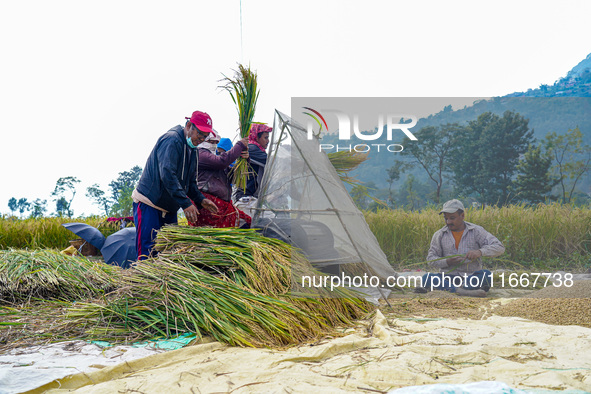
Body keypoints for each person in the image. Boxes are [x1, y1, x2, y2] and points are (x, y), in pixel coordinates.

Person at [132, 110, 219, 260]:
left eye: (205, 137)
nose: (201, 139)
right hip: (150, 204)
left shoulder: (193, 150)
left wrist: (200, 199)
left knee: (169, 252)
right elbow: (167, 174)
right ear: (189, 126)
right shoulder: (172, 140)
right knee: (148, 252)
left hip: (169, 208)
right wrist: (186, 204)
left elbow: (190, 182)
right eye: (200, 134)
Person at [417, 199, 505, 297]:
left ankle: (457, 290)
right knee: (427, 278)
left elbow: (499, 247)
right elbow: (430, 260)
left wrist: (479, 252)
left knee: (486, 275)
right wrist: (447, 261)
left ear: (462, 216)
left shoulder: (476, 231)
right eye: (446, 218)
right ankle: (462, 291)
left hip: (470, 277)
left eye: (452, 218)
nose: (448, 222)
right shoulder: (439, 235)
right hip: (447, 278)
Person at [191, 132, 252, 228]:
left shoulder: (215, 157)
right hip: (209, 207)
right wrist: (239, 145)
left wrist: (244, 160)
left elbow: (235, 177)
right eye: (210, 141)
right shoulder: (200, 154)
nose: (213, 145)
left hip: (223, 207)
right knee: (212, 236)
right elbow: (221, 162)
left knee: (248, 221)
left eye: (215, 142)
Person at [232, 123, 271, 218]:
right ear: (256, 137)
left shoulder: (255, 149)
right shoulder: (253, 149)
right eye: (265, 138)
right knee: (270, 218)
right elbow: (272, 161)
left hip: (249, 198)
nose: (268, 141)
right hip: (244, 199)